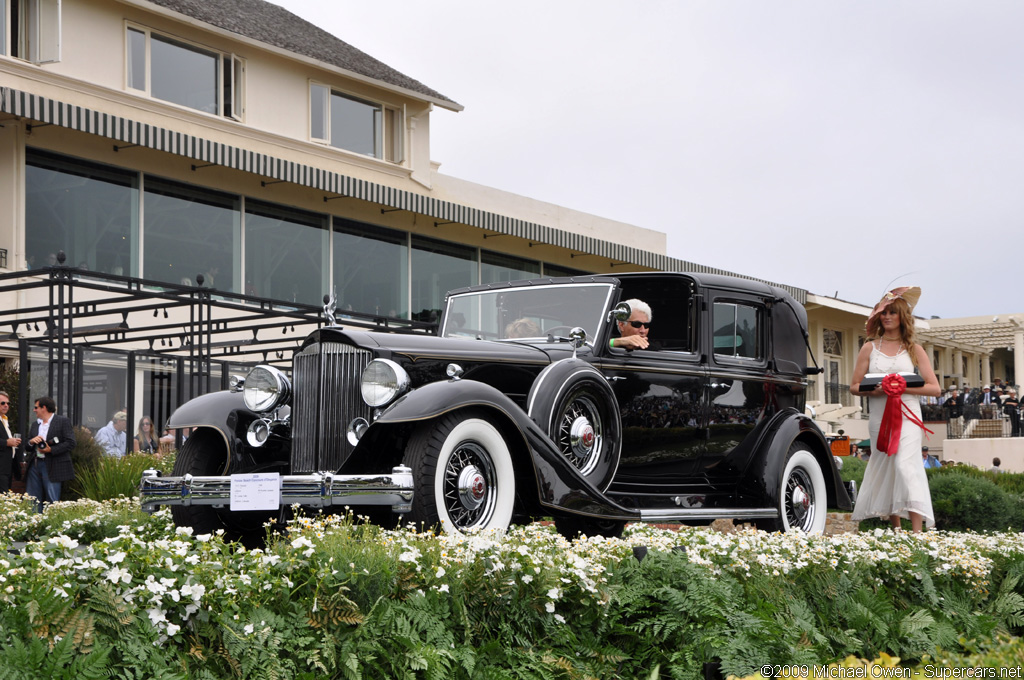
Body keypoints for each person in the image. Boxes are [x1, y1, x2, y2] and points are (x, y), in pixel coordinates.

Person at [849, 286, 941, 533]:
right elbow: (855, 386)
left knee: (905, 464)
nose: (886, 316)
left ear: (902, 316)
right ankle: (897, 528)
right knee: (889, 465)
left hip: (908, 415)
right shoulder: (869, 347)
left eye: (892, 312)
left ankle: (918, 531)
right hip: (880, 417)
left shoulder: (914, 348)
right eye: (883, 312)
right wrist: (875, 391)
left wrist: (903, 387)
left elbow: (934, 388)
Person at [24, 396, 76, 512]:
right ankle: (34, 526)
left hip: (53, 465)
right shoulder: (35, 425)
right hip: (35, 464)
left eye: (36, 407)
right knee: (32, 499)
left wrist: (50, 450)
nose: (34, 410)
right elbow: (27, 446)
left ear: (44, 408)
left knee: (52, 499)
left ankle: (50, 525)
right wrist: (31, 442)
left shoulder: (62, 421)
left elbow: (71, 443)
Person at [0, 391, 22, 494]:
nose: (6, 406)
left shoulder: (4, 420)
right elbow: (5, 442)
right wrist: (6, 443)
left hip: (7, 468)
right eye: (2, 403)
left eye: (8, 403)